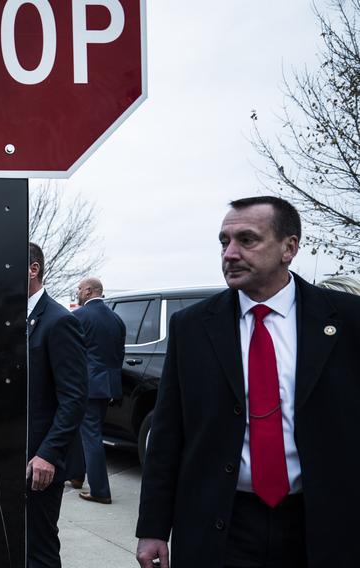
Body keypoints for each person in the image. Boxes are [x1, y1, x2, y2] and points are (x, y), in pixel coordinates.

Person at [136, 196, 360, 568]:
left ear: (289, 247)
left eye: (247, 240)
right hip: (222, 525)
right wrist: (153, 527)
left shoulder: (347, 320)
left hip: (320, 523)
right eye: (224, 242)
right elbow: (167, 434)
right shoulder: (192, 328)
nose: (230, 253)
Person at [0, 243, 87, 568]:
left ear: (33, 269)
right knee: (5, 540)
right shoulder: (10, 319)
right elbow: (1, 383)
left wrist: (49, 453)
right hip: (5, 453)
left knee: (37, 549)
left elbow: (74, 398)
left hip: (39, 460)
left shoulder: (59, 321)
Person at [70, 277, 125, 504]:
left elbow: (70, 352)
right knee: (83, 431)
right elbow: (119, 354)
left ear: (89, 291)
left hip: (86, 384)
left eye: (80, 290)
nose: (78, 293)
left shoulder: (79, 316)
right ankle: (75, 475)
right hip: (108, 385)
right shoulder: (117, 319)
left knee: (91, 435)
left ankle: (100, 490)